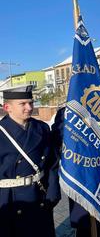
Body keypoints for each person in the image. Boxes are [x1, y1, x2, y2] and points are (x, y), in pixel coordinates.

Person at [0, 85, 61, 237]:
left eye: (31, 103)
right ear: (8, 107)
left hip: (38, 196)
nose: (29, 107)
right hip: (9, 200)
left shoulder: (41, 128)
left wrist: (53, 192)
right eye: (23, 104)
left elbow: (52, 163)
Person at [51, 106, 100, 237]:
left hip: (99, 171)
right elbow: (58, 138)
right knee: (83, 219)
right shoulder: (66, 112)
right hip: (79, 173)